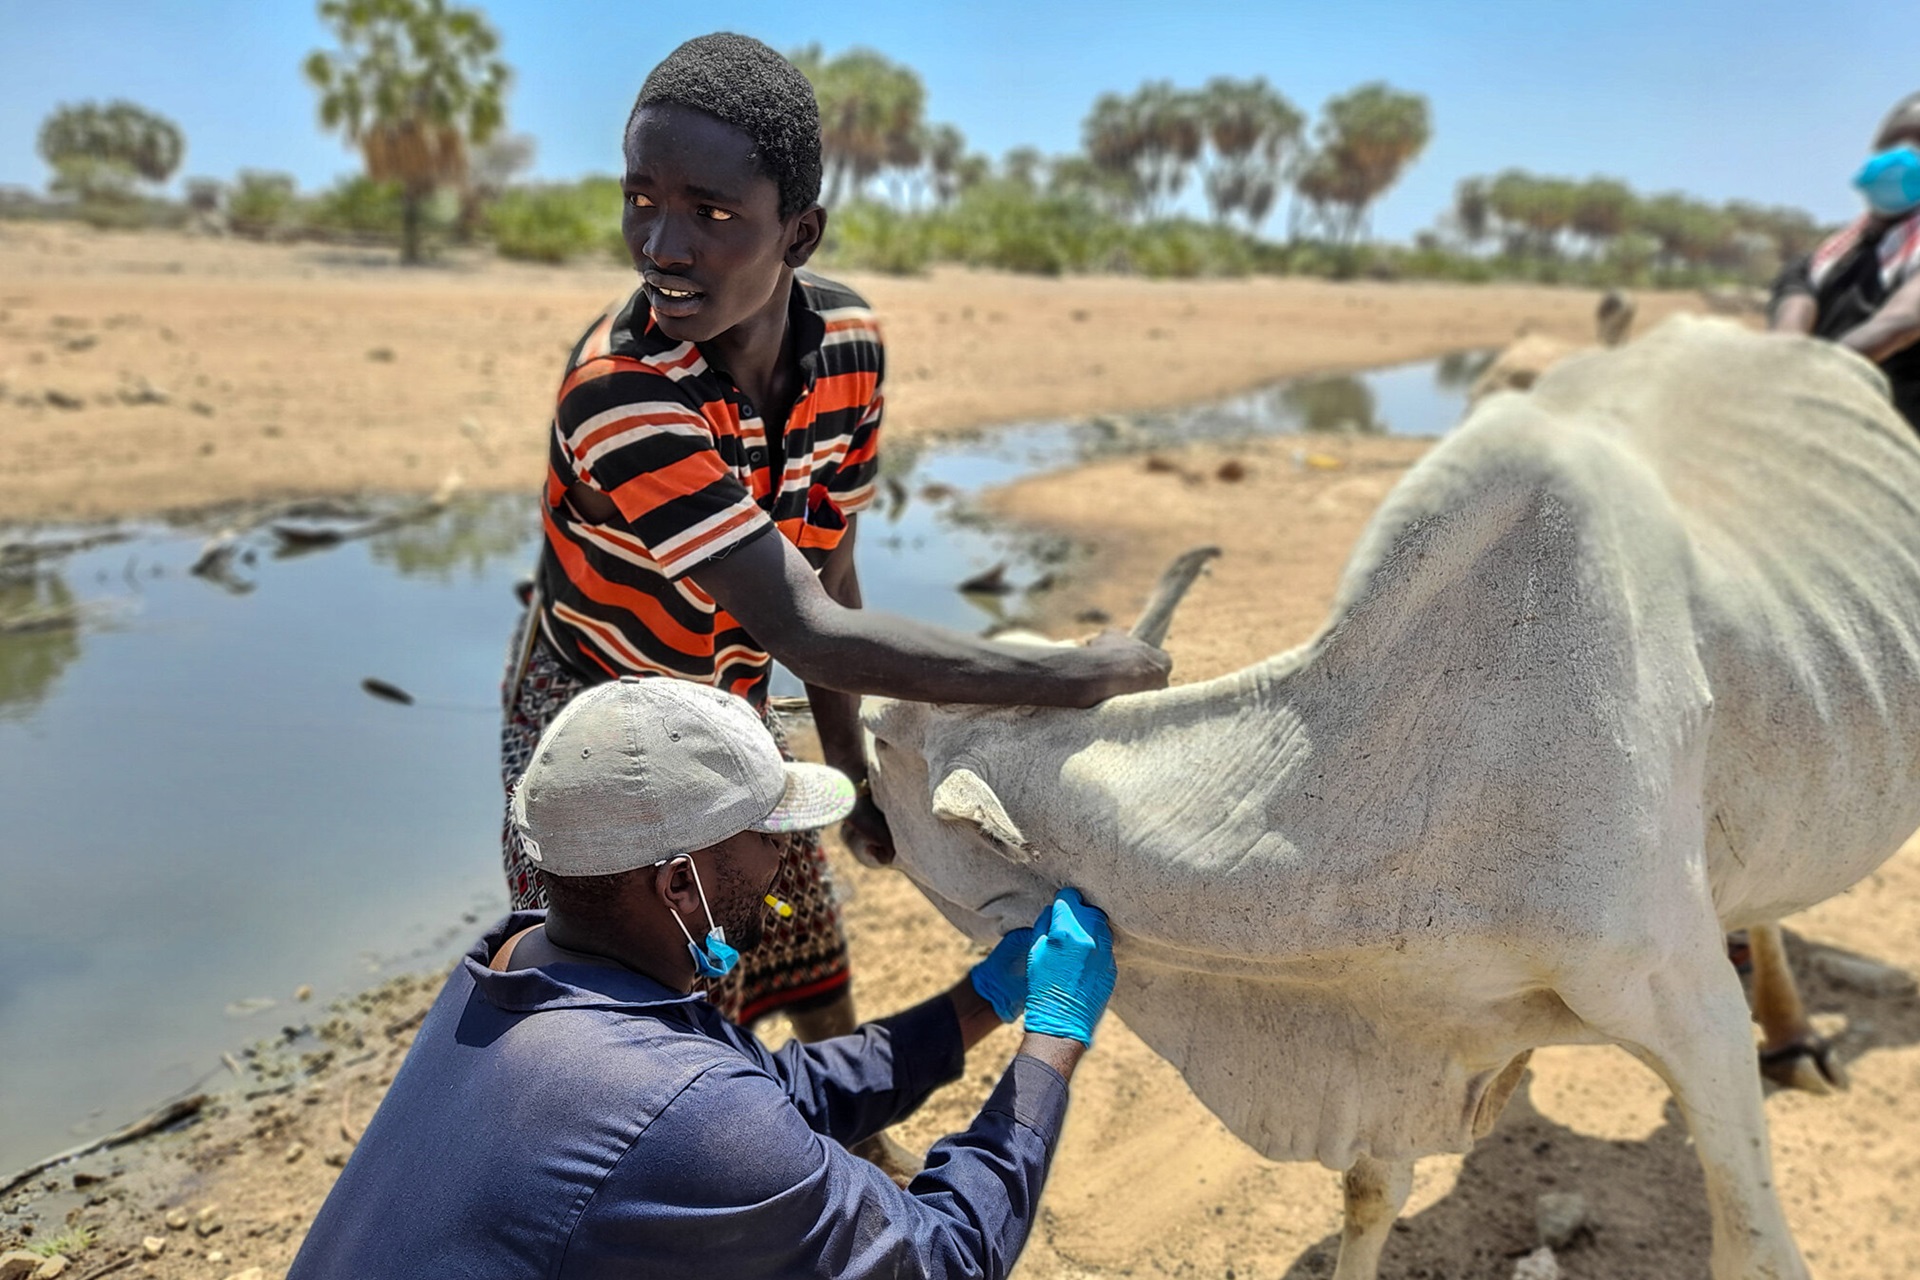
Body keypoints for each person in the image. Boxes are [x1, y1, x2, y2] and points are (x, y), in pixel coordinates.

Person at [500, 31, 1166, 1046]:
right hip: (599, 710)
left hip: (724, 702)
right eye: (642, 198)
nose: (661, 245)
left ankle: (853, 1137)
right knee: (640, 1006)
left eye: (711, 213)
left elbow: (831, 561)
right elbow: (806, 626)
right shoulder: (624, 392)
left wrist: (850, 769)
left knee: (800, 936)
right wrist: (1071, 676)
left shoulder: (847, 344)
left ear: (798, 234)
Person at [293, 677, 1118, 1280]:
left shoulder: (513, 970)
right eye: (764, 833)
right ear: (680, 884)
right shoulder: (680, 1104)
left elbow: (776, 1091)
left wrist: (984, 999)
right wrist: (1052, 1042)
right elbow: (945, 1259)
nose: (787, 857)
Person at [1771, 91, 1920, 429]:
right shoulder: (1820, 260)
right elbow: (1787, 334)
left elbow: (1900, 324)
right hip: (1816, 421)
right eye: (1892, 143)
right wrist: (1777, 375)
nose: (1904, 154)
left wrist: (1810, 378)